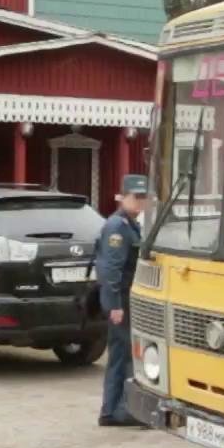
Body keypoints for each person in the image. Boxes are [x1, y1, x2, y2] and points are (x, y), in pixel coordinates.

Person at [94, 174, 151, 428]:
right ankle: (119, 410)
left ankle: (112, 409)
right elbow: (110, 270)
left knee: (122, 354)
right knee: (124, 354)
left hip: (127, 300)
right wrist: (114, 305)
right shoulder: (117, 227)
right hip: (121, 302)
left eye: (143, 197)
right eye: (135, 197)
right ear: (123, 196)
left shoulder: (130, 224)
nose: (139, 202)